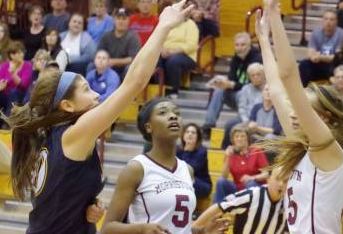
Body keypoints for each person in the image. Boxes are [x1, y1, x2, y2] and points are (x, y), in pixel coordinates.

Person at [4, 0, 193, 234]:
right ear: (67, 105)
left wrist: (87, 207)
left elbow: (59, 197)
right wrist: (163, 27)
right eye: (85, 89)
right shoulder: (73, 134)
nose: (95, 94)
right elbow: (134, 83)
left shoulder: (50, 136)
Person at [256, 0, 343, 232]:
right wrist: (264, 40)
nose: (294, 113)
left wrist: (274, 11)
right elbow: (276, 89)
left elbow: (288, 76)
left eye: (305, 109)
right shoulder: (303, 147)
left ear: (325, 118)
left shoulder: (328, 149)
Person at [102, 97, 228, 234]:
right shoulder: (137, 168)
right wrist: (141, 229)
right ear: (149, 127)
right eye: (163, 113)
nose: (173, 116)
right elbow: (107, 228)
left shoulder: (187, 170)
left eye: (177, 113)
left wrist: (202, 231)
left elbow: (178, 227)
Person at [194, 167, 287, 234]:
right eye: (278, 179)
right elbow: (220, 206)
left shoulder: (290, 204)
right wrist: (194, 227)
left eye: (285, 180)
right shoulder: (251, 196)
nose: (281, 184)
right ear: (268, 179)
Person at [202, 33, 261, 137]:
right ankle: (208, 126)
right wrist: (224, 83)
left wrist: (232, 85)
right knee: (219, 91)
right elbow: (232, 78)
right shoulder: (236, 58)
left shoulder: (257, 59)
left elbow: (252, 85)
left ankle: (243, 130)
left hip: (252, 97)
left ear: (249, 45)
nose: (239, 48)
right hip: (237, 93)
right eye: (237, 45)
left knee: (243, 93)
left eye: (243, 45)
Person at [214, 124, 269, 204]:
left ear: (247, 138)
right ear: (233, 140)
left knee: (250, 184)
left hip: (255, 186)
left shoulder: (256, 151)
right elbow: (224, 176)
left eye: (242, 136)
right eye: (236, 136)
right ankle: (216, 212)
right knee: (220, 181)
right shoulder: (231, 153)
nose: (239, 139)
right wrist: (227, 157)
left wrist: (252, 177)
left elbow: (266, 174)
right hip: (237, 188)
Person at [221, 62, 265, 149]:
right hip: (245, 119)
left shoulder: (268, 89)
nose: (255, 77)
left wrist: (254, 123)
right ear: (249, 77)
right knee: (230, 124)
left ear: (263, 75)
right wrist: (246, 121)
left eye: (258, 74)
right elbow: (241, 108)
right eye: (253, 75)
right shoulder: (245, 89)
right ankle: (227, 150)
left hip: (261, 120)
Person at [298, 10, 343, 86]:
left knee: (338, 66)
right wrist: (313, 57)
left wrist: (320, 57)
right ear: (322, 21)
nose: (328, 22)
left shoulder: (342, 34)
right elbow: (310, 52)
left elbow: (337, 57)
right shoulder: (316, 33)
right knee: (304, 64)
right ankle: (303, 89)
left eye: (331, 19)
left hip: (334, 65)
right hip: (319, 63)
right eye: (326, 19)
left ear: (336, 21)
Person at [158, 12, 199, 98]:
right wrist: (161, 49)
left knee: (173, 61)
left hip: (187, 56)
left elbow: (191, 45)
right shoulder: (167, 24)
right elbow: (159, 38)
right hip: (165, 52)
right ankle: (159, 88)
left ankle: (173, 91)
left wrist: (172, 52)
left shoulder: (190, 24)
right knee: (154, 59)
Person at [98, 8, 141, 79]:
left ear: (128, 20)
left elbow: (134, 58)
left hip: (124, 68)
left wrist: (114, 61)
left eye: (124, 19)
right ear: (114, 20)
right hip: (107, 66)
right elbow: (99, 52)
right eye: (118, 18)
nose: (121, 21)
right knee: (92, 65)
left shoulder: (133, 36)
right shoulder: (106, 36)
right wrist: (103, 61)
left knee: (130, 68)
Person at [176, 123, 212, 200]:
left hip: (201, 184)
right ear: (183, 135)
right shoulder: (177, 150)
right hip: (182, 181)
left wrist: (186, 151)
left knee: (185, 179)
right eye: (187, 132)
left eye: (193, 132)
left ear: (197, 137)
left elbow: (189, 169)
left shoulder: (202, 151)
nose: (190, 134)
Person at [0, 41, 33, 115]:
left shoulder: (27, 65)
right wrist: (1, 86)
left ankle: (9, 120)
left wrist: (13, 74)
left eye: (22, 52)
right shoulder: (5, 65)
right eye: (18, 53)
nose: (21, 55)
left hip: (20, 95)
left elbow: (24, 85)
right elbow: (0, 79)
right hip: (5, 94)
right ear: (11, 55)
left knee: (13, 92)